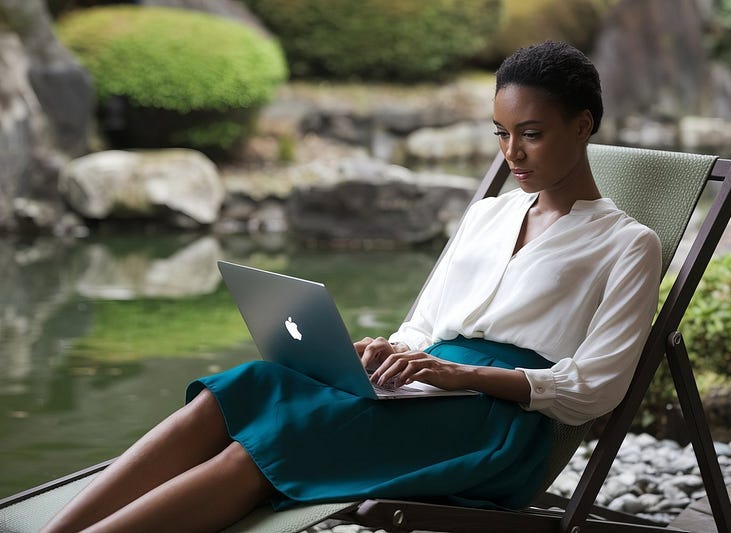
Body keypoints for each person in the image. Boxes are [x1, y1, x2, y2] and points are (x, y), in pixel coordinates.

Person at [43, 41, 661, 532]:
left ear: (583, 126)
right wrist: (389, 352)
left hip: (492, 426)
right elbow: (426, 325)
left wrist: (461, 377)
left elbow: (594, 391)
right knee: (250, 385)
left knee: (268, 445)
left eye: (531, 133)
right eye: (500, 133)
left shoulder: (629, 244)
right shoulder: (489, 214)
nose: (512, 153)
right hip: (424, 388)